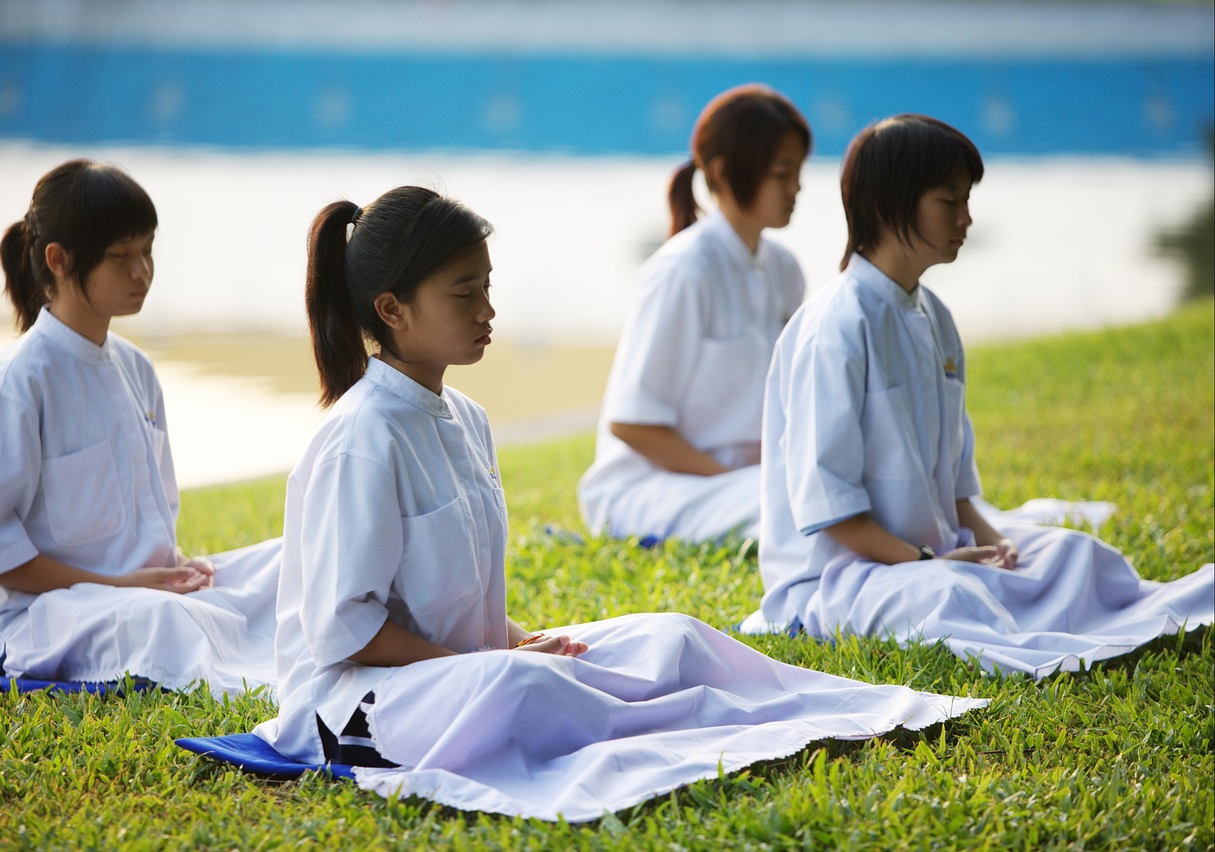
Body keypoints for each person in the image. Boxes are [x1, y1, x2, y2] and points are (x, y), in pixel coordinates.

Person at [250, 186, 986, 821]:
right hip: (352, 708)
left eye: (487, 286)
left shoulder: (465, 419)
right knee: (531, 684)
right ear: (393, 309)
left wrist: (511, 636)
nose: (488, 309)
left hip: (459, 670)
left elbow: (450, 592)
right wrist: (483, 658)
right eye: (463, 292)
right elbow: (349, 632)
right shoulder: (360, 439)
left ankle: (806, 712)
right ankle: (695, 727)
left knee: (670, 635)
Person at [745, 115, 1213, 677]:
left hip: (938, 553)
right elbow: (832, 515)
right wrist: (931, 560)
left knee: (1073, 555)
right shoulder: (835, 327)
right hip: (845, 575)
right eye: (950, 202)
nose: (966, 219)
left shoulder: (933, 316)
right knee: (949, 599)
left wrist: (999, 546)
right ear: (889, 205)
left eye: (966, 201)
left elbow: (958, 492)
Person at [0, 159, 281, 695]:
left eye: (147, 250)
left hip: (137, 591)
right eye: (121, 256)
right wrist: (125, 585)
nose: (142, 271)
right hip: (38, 615)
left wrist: (174, 571)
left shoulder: (137, 369)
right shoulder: (15, 382)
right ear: (58, 260)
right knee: (166, 621)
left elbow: (149, 527)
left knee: (289, 562)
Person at [577, 84, 809, 543]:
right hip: (656, 488)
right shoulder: (683, 271)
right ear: (723, 173)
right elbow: (631, 422)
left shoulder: (784, 269)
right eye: (782, 172)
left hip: (742, 481)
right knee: (800, 510)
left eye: (798, 171)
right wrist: (731, 476)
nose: (796, 187)